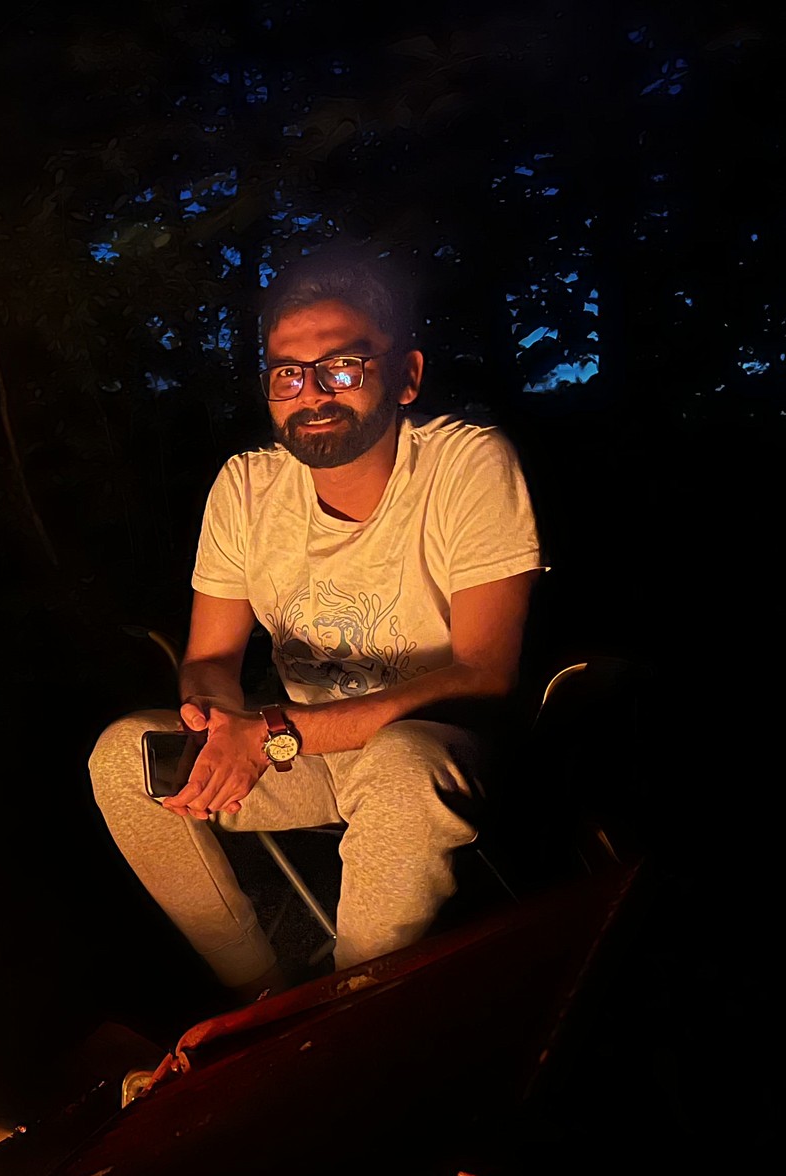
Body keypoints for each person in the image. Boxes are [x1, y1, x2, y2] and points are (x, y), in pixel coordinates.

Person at [89, 248, 543, 998]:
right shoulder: (245, 487)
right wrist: (220, 725)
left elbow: (484, 672)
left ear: (407, 376)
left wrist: (274, 732)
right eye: (288, 374)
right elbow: (209, 659)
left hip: (436, 746)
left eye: (343, 367)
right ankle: (260, 994)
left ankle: (349, 1007)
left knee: (402, 766)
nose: (313, 394)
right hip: (298, 749)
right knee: (123, 759)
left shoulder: (467, 465)